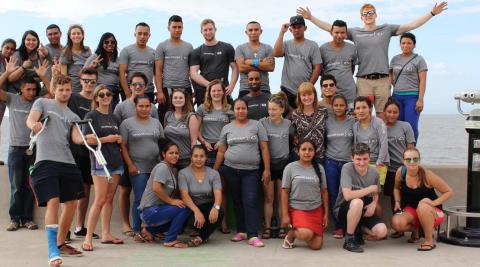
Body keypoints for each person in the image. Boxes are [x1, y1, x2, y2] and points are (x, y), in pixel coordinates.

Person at [297, 2, 447, 118]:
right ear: (361, 17)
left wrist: (432, 13)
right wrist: (311, 18)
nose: (368, 15)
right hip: (363, 81)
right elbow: (332, 28)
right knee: (362, 114)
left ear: (376, 14)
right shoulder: (355, 32)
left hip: (382, 80)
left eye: (371, 12)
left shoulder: (386, 29)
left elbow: (411, 25)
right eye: (365, 13)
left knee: (383, 115)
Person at [26, 74, 87, 266]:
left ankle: (61, 243)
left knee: (70, 204)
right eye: (61, 89)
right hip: (46, 161)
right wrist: (33, 125)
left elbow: (77, 139)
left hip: (68, 162)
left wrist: (90, 140)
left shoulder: (73, 116)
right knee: (53, 201)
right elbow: (31, 119)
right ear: (54, 88)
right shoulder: (42, 103)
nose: (64, 93)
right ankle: (53, 251)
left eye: (68, 89)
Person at [214, 98, 271, 247]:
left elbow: (264, 148)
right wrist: (214, 171)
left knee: (250, 200)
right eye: (237, 108)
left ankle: (252, 235)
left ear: (247, 110)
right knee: (237, 201)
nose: (240, 111)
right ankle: (242, 231)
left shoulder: (257, 125)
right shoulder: (227, 128)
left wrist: (267, 169)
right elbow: (221, 150)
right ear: (233, 111)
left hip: (251, 171)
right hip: (230, 169)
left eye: (243, 108)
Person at [113, 72, 158, 237]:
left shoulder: (154, 116)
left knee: (151, 197)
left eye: (141, 84)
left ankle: (150, 228)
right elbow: (118, 135)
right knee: (131, 194)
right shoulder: (122, 109)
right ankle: (132, 226)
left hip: (152, 166)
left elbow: (159, 140)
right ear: (130, 86)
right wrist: (129, 163)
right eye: (134, 84)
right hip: (131, 162)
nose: (137, 87)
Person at [81, 85, 124, 251]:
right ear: (96, 98)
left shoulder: (114, 118)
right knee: (99, 200)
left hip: (116, 163)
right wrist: (108, 139)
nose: (105, 96)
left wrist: (118, 139)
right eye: (101, 94)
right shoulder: (91, 115)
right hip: (100, 164)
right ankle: (88, 238)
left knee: (108, 199)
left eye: (108, 94)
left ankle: (106, 234)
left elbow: (117, 139)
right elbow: (88, 140)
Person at [120, 94, 164, 242]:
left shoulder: (156, 123)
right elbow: (123, 146)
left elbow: (161, 144)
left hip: (155, 168)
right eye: (141, 106)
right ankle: (137, 229)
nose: (144, 109)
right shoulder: (127, 123)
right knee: (140, 199)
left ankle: (152, 229)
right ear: (135, 107)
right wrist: (130, 165)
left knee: (156, 199)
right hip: (137, 168)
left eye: (147, 106)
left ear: (151, 107)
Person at [391, 147, 454, 251]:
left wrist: (433, 202)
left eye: (415, 159)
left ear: (419, 160)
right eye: (408, 159)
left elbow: (449, 191)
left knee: (423, 206)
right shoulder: (401, 172)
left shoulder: (427, 175)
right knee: (396, 223)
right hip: (413, 210)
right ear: (403, 161)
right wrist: (397, 202)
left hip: (432, 212)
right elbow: (396, 188)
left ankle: (429, 240)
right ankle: (417, 230)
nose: (412, 162)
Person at [0, 59, 38, 231]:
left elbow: (53, 93)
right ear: (21, 89)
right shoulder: (12, 99)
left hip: (32, 150)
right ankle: (15, 219)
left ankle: (27, 219)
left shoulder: (38, 103)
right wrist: (7, 73)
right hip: (15, 149)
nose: (31, 92)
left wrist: (44, 77)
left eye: (33, 90)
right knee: (16, 186)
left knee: (30, 185)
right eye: (28, 89)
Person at [192, 80, 234, 233]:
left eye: (219, 90)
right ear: (209, 93)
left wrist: (223, 143)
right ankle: (202, 221)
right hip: (206, 150)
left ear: (223, 92)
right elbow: (196, 129)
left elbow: (232, 130)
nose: (216, 93)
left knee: (221, 188)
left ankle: (222, 222)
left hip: (222, 150)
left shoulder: (229, 109)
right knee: (203, 188)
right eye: (213, 91)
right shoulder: (202, 108)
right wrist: (203, 142)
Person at [333, 143, 388, 253]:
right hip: (345, 208)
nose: (362, 163)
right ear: (352, 157)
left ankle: (359, 230)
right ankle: (349, 239)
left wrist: (373, 204)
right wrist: (370, 188)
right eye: (358, 159)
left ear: (370, 157)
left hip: (365, 207)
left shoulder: (374, 173)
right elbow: (348, 195)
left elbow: (375, 193)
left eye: (365, 159)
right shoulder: (347, 168)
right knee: (357, 202)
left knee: (382, 232)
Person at [138, 143, 191, 248]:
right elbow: (156, 188)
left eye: (176, 153)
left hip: (156, 209)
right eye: (171, 153)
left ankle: (149, 231)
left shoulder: (170, 169)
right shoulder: (163, 167)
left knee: (183, 219)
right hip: (150, 210)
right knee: (185, 208)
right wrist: (171, 201)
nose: (174, 155)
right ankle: (170, 240)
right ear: (163, 154)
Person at [67, 68, 99, 240]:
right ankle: (65, 230)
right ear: (80, 81)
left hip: (91, 153)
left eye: (92, 81)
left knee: (86, 190)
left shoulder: (97, 99)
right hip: (74, 151)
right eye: (86, 80)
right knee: (71, 191)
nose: (89, 84)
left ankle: (80, 227)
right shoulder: (72, 98)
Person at [281, 139, 329, 250]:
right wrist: (285, 215)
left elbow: (324, 192)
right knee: (305, 234)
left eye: (310, 150)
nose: (307, 152)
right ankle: (292, 233)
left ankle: (306, 230)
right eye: (304, 149)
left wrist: (326, 213)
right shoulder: (290, 168)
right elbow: (284, 192)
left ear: (314, 152)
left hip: (315, 209)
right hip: (297, 209)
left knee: (317, 246)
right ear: (298, 152)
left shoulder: (320, 168)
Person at [259, 92, 292, 239]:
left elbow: (293, 143)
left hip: (283, 164)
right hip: (268, 165)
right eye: (269, 109)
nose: (271, 112)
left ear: (282, 109)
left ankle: (281, 227)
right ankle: (267, 227)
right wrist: (266, 169)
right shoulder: (262, 123)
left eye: (274, 109)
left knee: (281, 198)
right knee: (269, 198)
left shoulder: (288, 124)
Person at [273, 15, 322, 109]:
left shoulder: (312, 45)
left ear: (305, 28)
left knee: (304, 118)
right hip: (287, 90)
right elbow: (276, 53)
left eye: (299, 27)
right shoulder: (286, 44)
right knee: (287, 120)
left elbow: (318, 66)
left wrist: (309, 85)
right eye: (294, 27)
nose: (296, 30)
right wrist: (282, 32)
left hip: (305, 91)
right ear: (290, 30)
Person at [179, 145, 224, 246]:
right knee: (192, 222)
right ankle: (204, 233)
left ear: (206, 157)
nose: (198, 159)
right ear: (191, 157)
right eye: (195, 156)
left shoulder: (213, 173)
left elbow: (218, 192)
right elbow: (184, 195)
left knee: (220, 211)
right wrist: (196, 211)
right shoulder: (183, 173)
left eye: (201, 156)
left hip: (208, 205)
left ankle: (201, 237)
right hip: (192, 207)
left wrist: (215, 207)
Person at [324, 94, 355, 239]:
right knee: (333, 195)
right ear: (332, 106)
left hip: (348, 164)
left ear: (346, 106)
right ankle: (338, 226)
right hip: (330, 162)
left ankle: (348, 225)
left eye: (341, 105)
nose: (338, 108)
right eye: (335, 105)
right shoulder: (327, 122)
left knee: (346, 196)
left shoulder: (353, 122)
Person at [189, 18, 238, 106]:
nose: (208, 32)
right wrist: (210, 85)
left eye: (210, 29)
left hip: (223, 91)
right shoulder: (197, 51)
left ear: (215, 29)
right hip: (204, 92)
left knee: (226, 116)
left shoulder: (227, 47)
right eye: (205, 30)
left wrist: (232, 85)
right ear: (201, 32)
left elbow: (235, 68)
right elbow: (193, 73)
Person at [155, 15, 193, 124]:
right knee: (164, 119)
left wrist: (193, 88)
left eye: (179, 27)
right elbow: (158, 70)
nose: (177, 30)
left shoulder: (189, 47)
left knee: (189, 118)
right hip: (167, 88)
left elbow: (191, 70)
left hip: (185, 88)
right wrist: (159, 91)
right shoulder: (162, 46)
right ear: (169, 28)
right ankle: (164, 141)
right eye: (174, 27)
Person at [390, 32, 428, 141]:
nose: (406, 45)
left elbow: (423, 81)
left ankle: (411, 150)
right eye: (403, 43)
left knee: (411, 126)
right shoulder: (394, 59)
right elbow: (391, 78)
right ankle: (399, 151)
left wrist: (420, 99)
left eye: (409, 43)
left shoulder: (419, 60)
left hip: (412, 97)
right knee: (397, 125)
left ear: (414, 45)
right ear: (400, 44)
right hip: (396, 97)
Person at [383, 98, 415, 215]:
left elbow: (411, 149)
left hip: (405, 169)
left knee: (409, 198)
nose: (392, 115)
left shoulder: (405, 126)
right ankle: (398, 227)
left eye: (395, 112)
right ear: (384, 112)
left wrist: (409, 167)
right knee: (394, 199)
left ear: (399, 113)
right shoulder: (380, 128)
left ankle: (414, 228)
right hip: (390, 170)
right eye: (389, 112)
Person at [319, 20, 358, 108]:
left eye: (342, 32)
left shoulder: (352, 48)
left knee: (350, 120)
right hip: (329, 94)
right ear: (331, 33)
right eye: (336, 32)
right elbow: (320, 70)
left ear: (346, 33)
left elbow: (352, 68)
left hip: (349, 95)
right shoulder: (322, 49)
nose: (339, 35)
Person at [353, 96, 389, 186]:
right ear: (354, 111)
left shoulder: (378, 123)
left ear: (370, 108)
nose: (361, 111)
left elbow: (384, 143)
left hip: (378, 162)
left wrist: (379, 162)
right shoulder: (355, 126)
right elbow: (355, 147)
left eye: (364, 107)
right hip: (362, 163)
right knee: (361, 193)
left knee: (374, 194)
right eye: (358, 108)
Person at [235, 21, 275, 98]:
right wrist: (261, 62)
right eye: (250, 30)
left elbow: (271, 67)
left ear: (261, 31)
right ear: (246, 32)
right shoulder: (240, 48)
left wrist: (250, 62)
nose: (253, 32)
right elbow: (241, 68)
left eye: (256, 30)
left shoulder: (268, 48)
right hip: (245, 89)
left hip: (264, 88)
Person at [119, 22, 156, 102]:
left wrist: (159, 91)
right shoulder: (126, 51)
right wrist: (127, 93)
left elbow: (156, 74)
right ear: (135, 34)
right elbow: (121, 73)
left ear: (149, 35)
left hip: (148, 92)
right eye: (139, 33)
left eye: (145, 34)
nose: (142, 36)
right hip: (131, 92)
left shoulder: (153, 53)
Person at [291, 82, 328, 163]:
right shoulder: (295, 114)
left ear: (314, 95)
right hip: (301, 156)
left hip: (318, 155)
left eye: (309, 94)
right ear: (299, 97)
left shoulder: (323, 111)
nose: (307, 98)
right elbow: (294, 134)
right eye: (304, 95)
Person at [85, 32, 121, 108]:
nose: (110, 44)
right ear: (102, 43)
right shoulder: (96, 56)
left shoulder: (117, 59)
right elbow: (82, 73)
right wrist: (92, 66)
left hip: (114, 92)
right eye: (106, 42)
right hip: (100, 91)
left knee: (112, 114)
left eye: (112, 42)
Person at [164, 89, 196, 170]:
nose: (178, 100)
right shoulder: (167, 115)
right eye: (175, 98)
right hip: (170, 159)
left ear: (185, 100)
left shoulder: (191, 116)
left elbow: (194, 142)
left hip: (185, 160)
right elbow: (165, 137)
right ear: (171, 100)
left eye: (181, 98)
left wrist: (193, 160)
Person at [60, 25, 92, 93]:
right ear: (70, 36)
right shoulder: (65, 52)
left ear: (82, 35)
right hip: (74, 88)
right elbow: (63, 75)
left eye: (78, 33)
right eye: (73, 34)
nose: (76, 35)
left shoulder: (87, 50)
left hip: (87, 86)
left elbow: (91, 69)